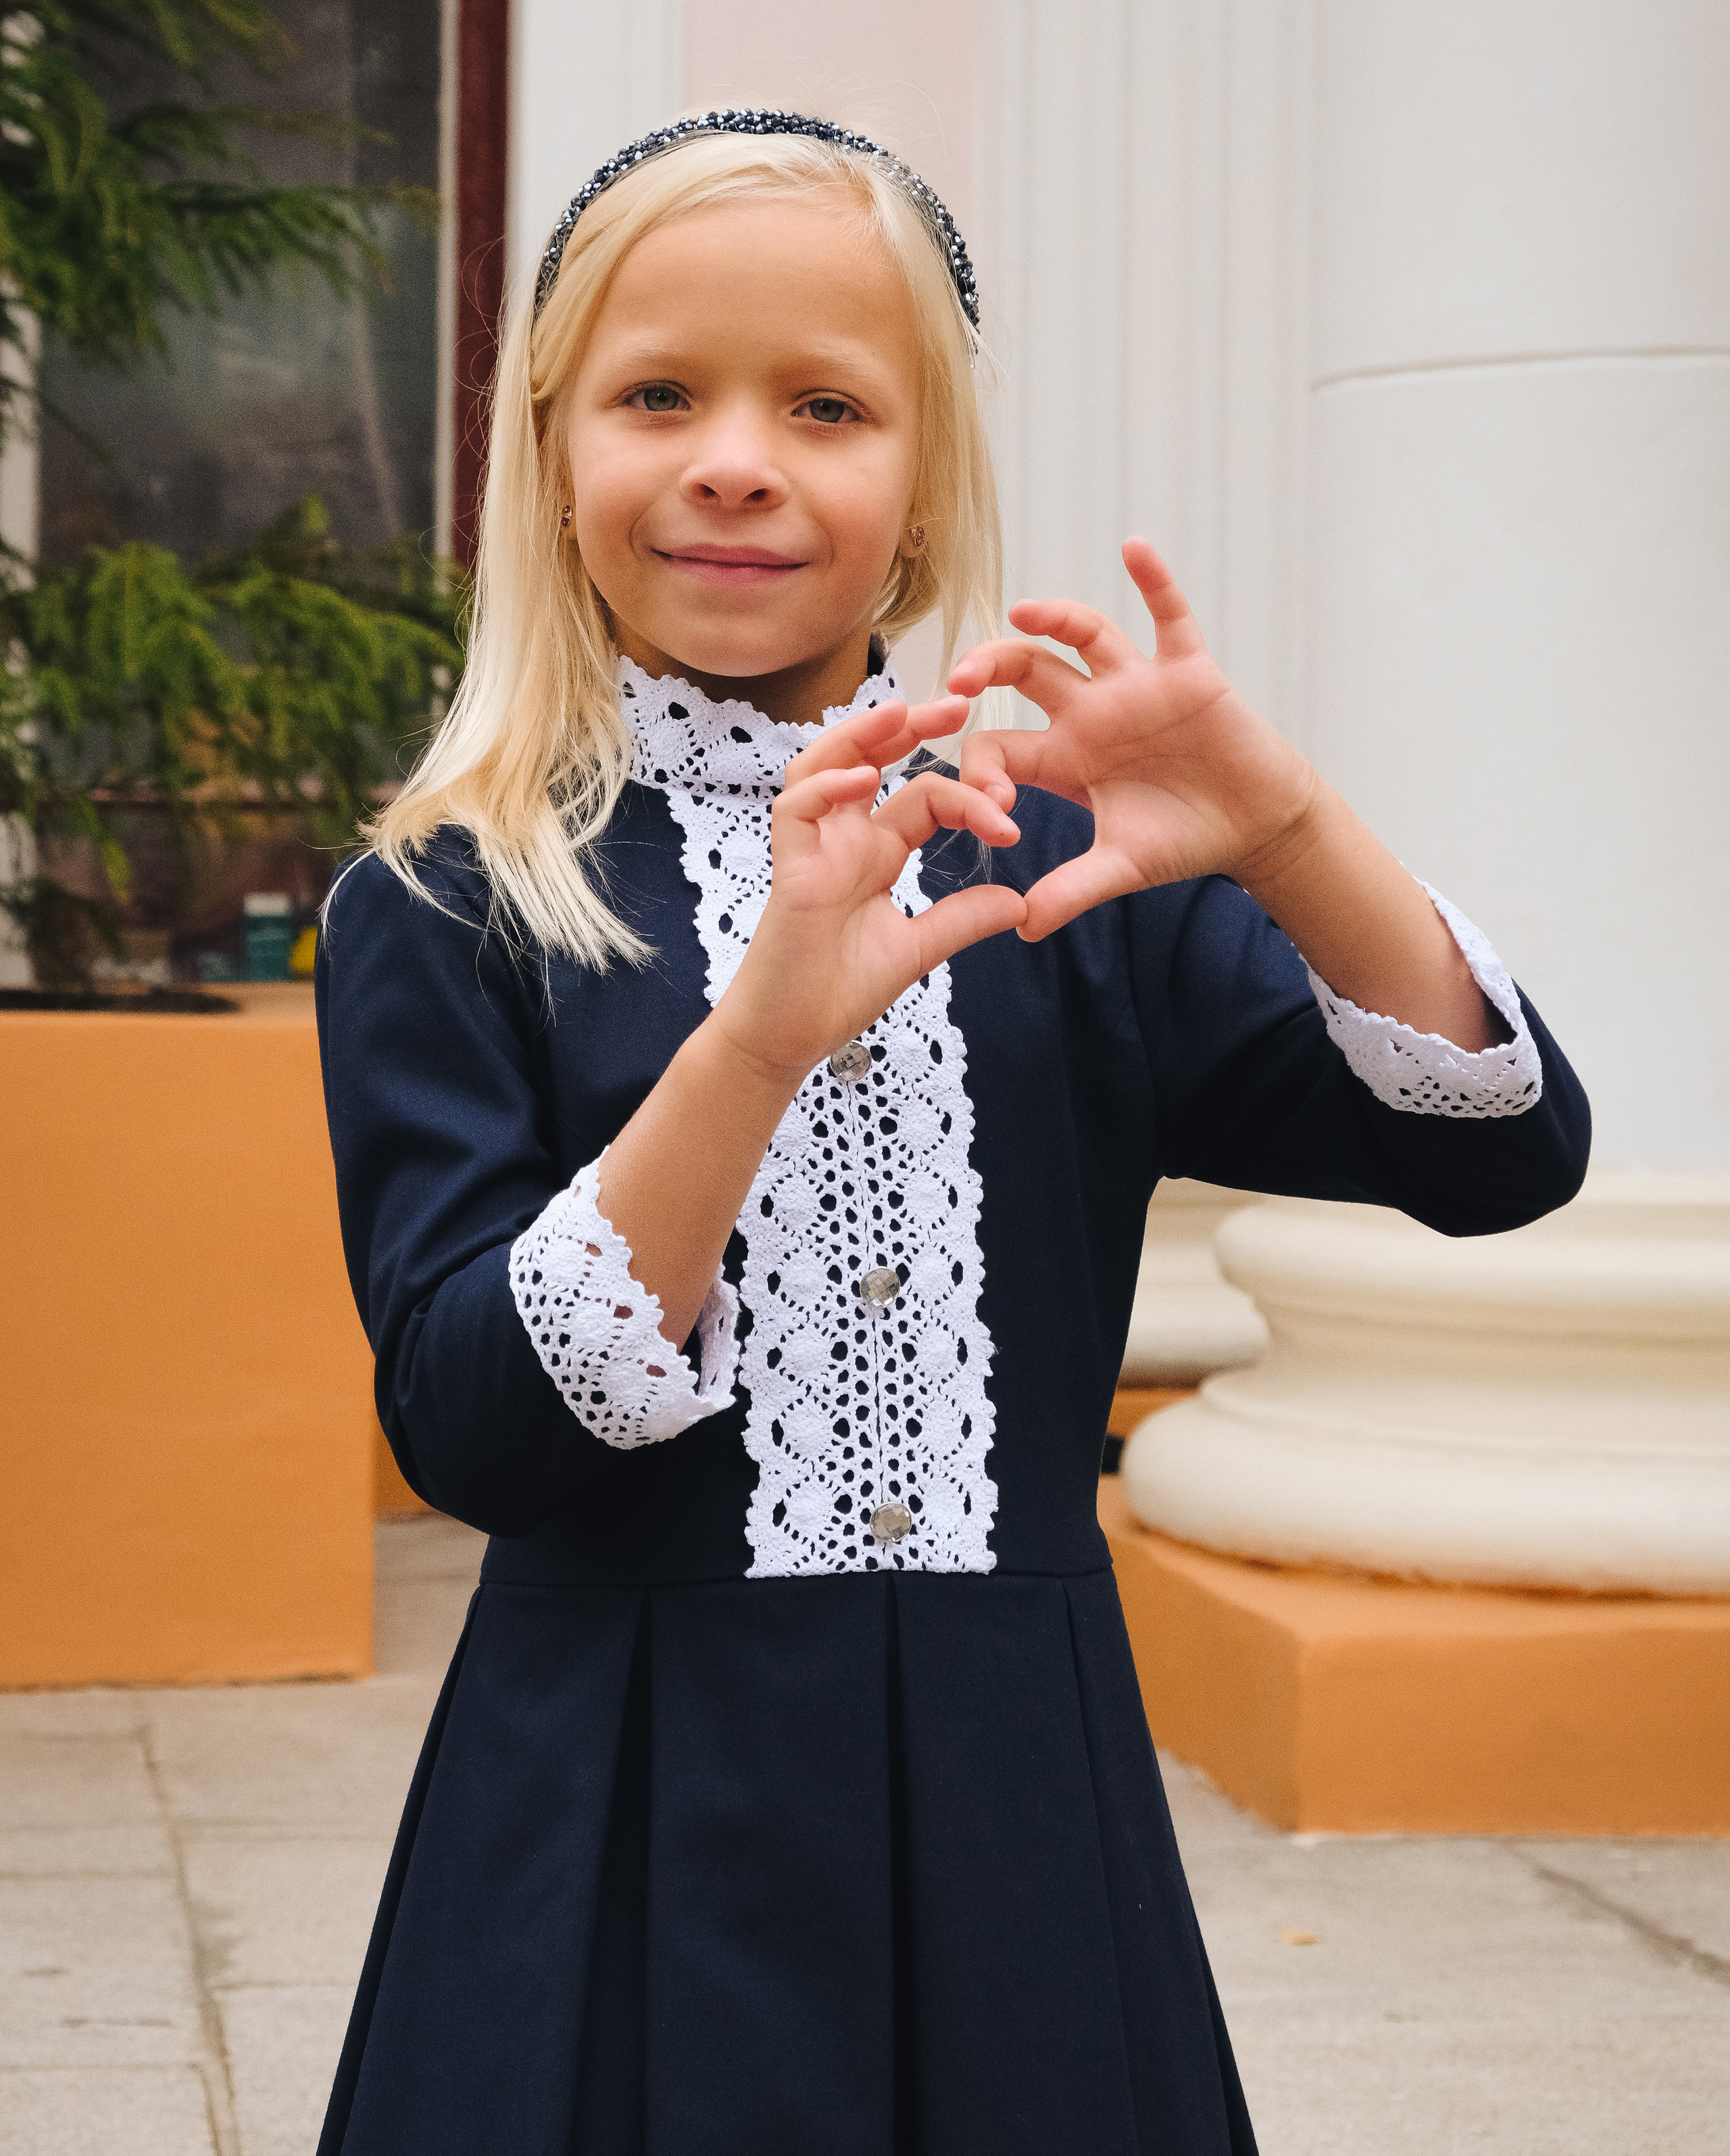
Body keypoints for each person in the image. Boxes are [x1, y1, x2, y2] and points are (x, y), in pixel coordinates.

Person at [314, 112, 1589, 2156]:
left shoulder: (1057, 867)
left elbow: (1498, 1150)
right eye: (660, 395)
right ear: (555, 468)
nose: (736, 456)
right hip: (618, 1808)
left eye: (826, 404)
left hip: (1020, 1800)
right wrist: (746, 1047)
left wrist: (1285, 836)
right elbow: (473, 1432)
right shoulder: (451, 897)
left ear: (921, 505)